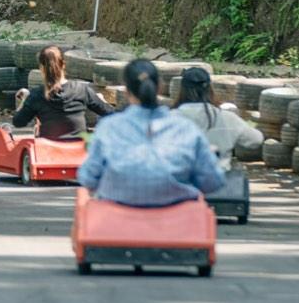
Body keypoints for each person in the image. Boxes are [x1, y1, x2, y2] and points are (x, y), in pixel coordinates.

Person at [76, 58, 228, 207]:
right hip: (177, 222)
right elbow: (213, 181)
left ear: (127, 89)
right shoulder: (185, 128)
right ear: (160, 87)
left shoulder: (108, 127)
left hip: (118, 220)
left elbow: (88, 178)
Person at [12, 44, 105, 141]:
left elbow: (18, 122)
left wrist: (25, 100)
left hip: (49, 150)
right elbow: (110, 113)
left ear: (41, 68)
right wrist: (100, 100)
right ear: (63, 65)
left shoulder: (36, 95)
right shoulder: (81, 90)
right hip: (79, 150)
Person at [174, 66, 260, 169]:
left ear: (182, 90)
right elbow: (256, 140)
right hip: (219, 179)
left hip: (180, 179)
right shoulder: (226, 117)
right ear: (210, 88)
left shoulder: (170, 118)